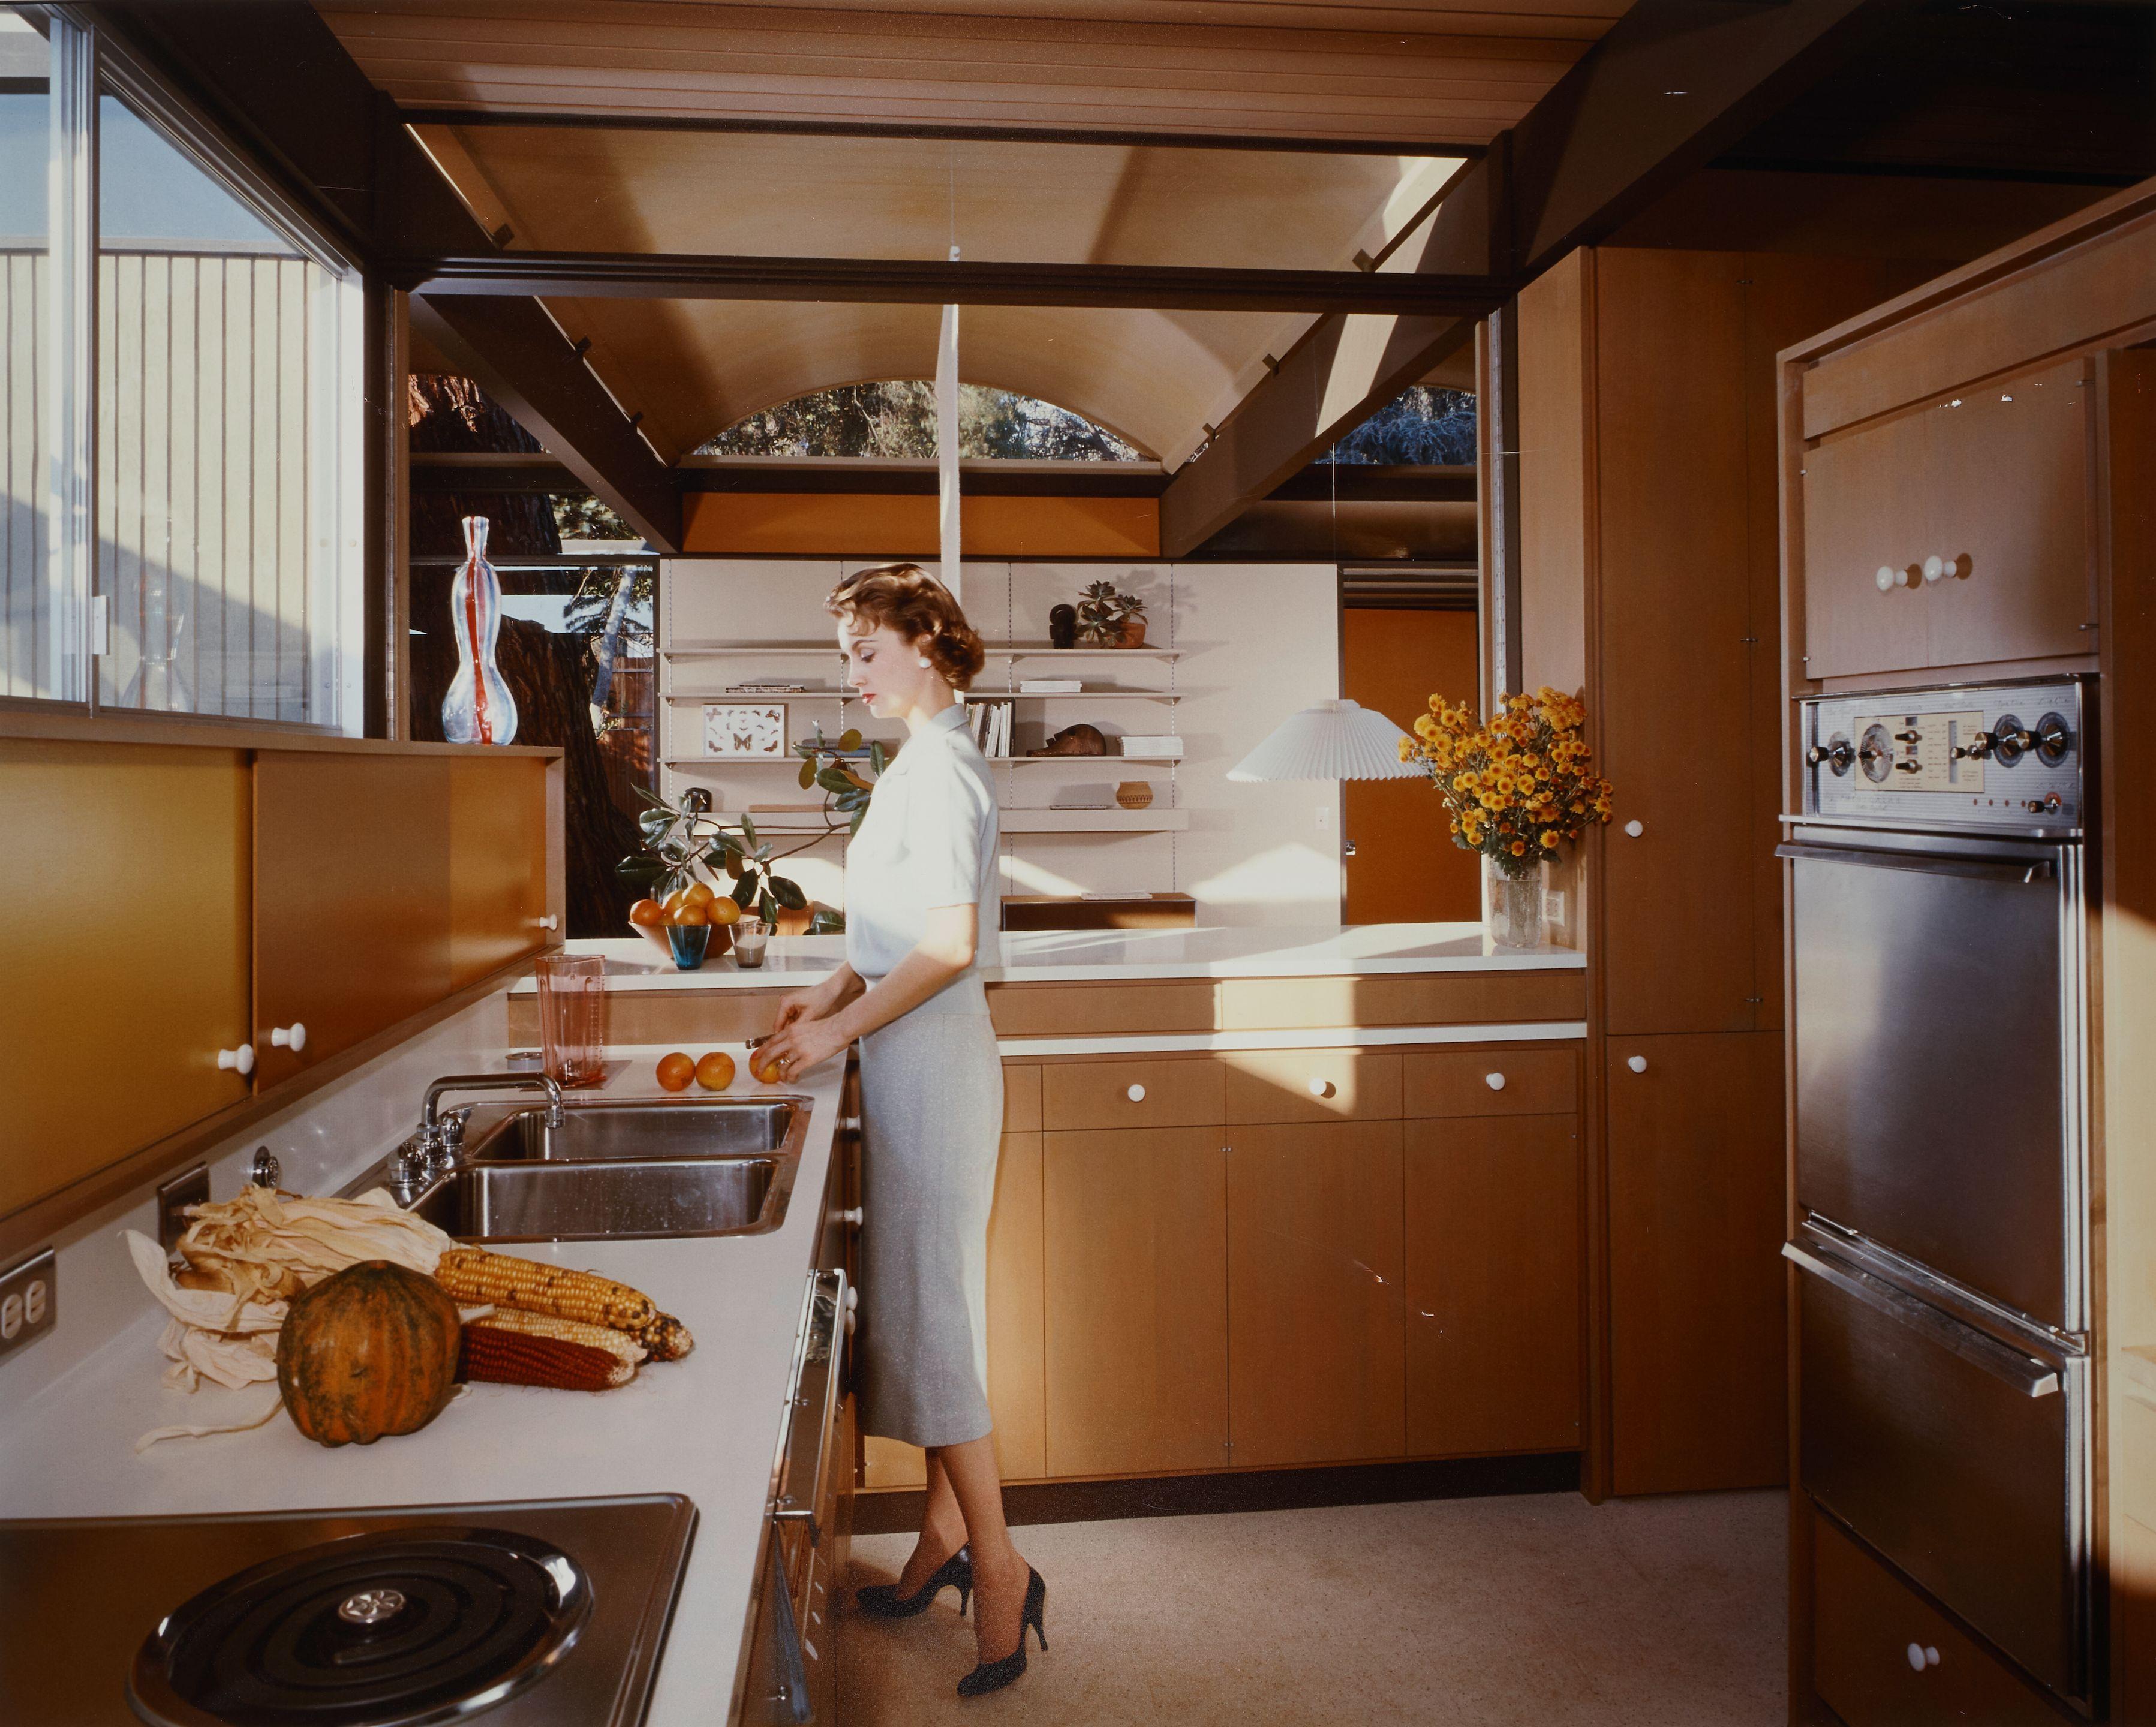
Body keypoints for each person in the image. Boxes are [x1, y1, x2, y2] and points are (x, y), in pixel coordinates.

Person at [753, 562, 1047, 1698]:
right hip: (909, 1055)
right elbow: (893, 931)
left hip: (934, 1067)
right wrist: (829, 999)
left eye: (864, 653)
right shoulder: (919, 765)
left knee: (933, 1330)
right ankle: (941, 1546)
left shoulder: (944, 772)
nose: (852, 677)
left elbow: (951, 947)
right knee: (927, 1320)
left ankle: (1005, 1568)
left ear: (926, 643)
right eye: (846, 658)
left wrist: (837, 1036)